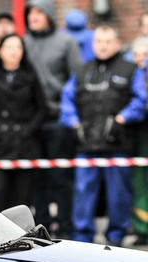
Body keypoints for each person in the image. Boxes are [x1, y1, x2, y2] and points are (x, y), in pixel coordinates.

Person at [60, 24, 146, 245]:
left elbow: (140, 100)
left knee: (119, 196)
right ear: (93, 43)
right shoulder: (81, 70)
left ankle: (116, 238)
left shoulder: (129, 69)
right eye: (99, 41)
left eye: (108, 41)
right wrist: (74, 123)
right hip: (86, 145)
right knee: (82, 195)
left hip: (118, 145)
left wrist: (122, 119)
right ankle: (83, 239)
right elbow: (67, 101)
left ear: (117, 43)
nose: (103, 46)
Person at [25, 0, 83, 239]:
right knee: (37, 178)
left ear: (49, 15)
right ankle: (42, 227)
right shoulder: (24, 42)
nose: (33, 17)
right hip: (32, 122)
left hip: (58, 120)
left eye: (38, 12)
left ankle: (67, 228)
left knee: (61, 178)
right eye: (30, 13)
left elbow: (77, 79)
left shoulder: (66, 42)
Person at [0, 34, 47, 211]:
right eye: (9, 47)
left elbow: (41, 108)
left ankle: (23, 235)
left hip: (25, 143)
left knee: (23, 196)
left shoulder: (30, 75)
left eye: (18, 47)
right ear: (0, 51)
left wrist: (28, 130)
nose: (14, 52)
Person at [129, 36, 148, 246]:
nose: (141, 59)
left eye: (145, 55)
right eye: (137, 55)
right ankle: (141, 226)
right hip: (135, 133)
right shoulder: (130, 75)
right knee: (139, 183)